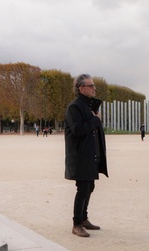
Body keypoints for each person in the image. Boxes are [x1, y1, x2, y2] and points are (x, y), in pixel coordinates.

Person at [65, 74, 108, 238]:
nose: (94, 88)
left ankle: (83, 219)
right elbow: (77, 129)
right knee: (83, 188)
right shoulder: (74, 107)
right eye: (91, 85)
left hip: (89, 155)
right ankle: (76, 224)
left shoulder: (89, 106)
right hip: (79, 156)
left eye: (94, 85)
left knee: (90, 187)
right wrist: (96, 120)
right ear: (81, 88)